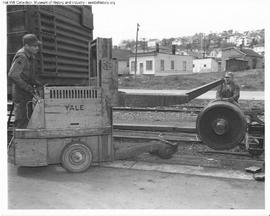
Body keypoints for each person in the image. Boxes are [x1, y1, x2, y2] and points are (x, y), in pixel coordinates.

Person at [8, 34, 43, 128]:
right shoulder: (22, 56)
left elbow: (28, 75)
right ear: (26, 46)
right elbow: (13, 75)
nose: (37, 48)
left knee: (27, 118)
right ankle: (19, 141)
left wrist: (37, 83)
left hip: (25, 93)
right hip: (21, 93)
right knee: (22, 120)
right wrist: (28, 87)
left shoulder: (30, 56)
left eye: (37, 46)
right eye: (34, 46)